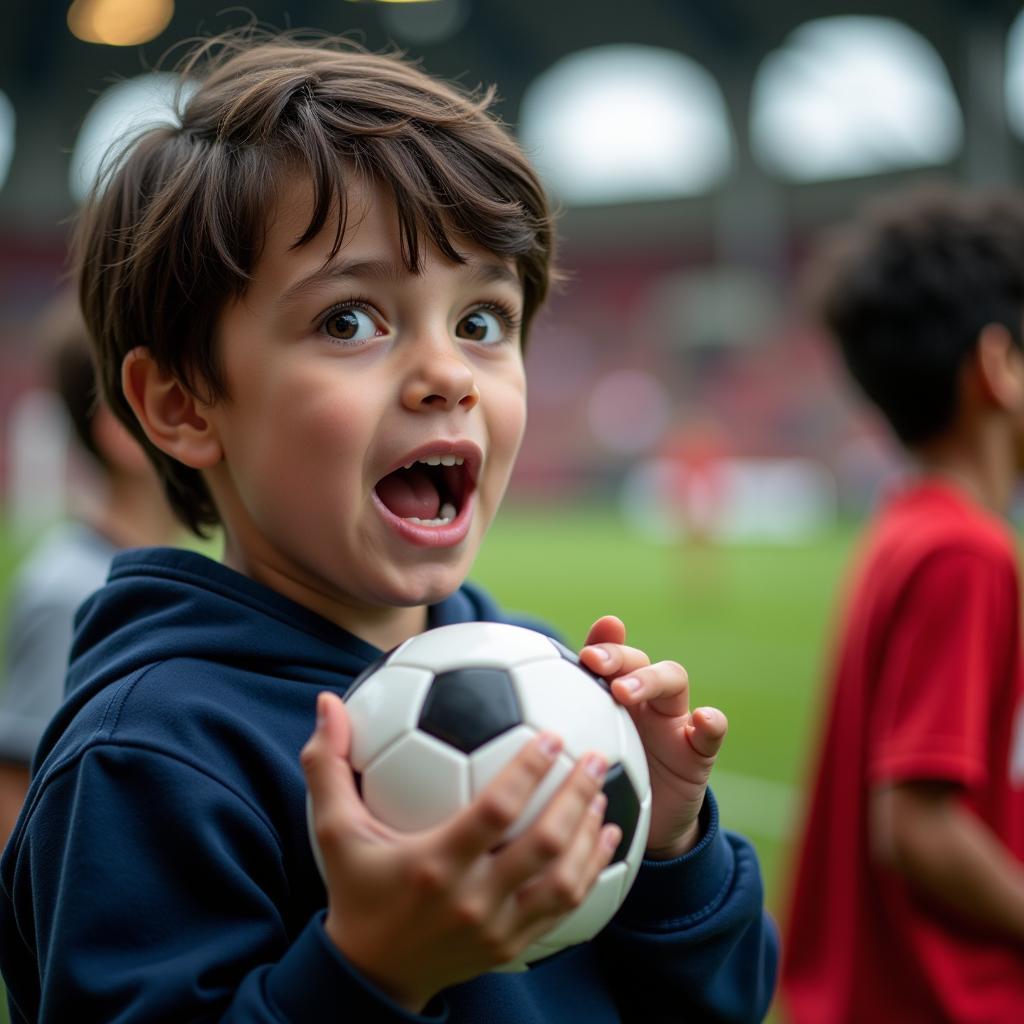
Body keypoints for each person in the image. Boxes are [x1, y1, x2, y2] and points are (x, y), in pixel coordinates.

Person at [0, 31, 777, 1022]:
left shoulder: (542, 678)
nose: (448, 372)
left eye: (482, 322)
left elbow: (725, 1002)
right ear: (184, 405)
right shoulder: (147, 759)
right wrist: (369, 971)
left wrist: (670, 852)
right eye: (349, 320)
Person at [781, 186, 1024, 1023]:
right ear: (999, 367)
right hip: (941, 999)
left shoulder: (907, 526)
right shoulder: (968, 552)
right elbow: (918, 828)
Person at [0, 293, 179, 846]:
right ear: (123, 433)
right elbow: (14, 796)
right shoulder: (72, 595)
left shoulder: (168, 578)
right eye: (178, 401)